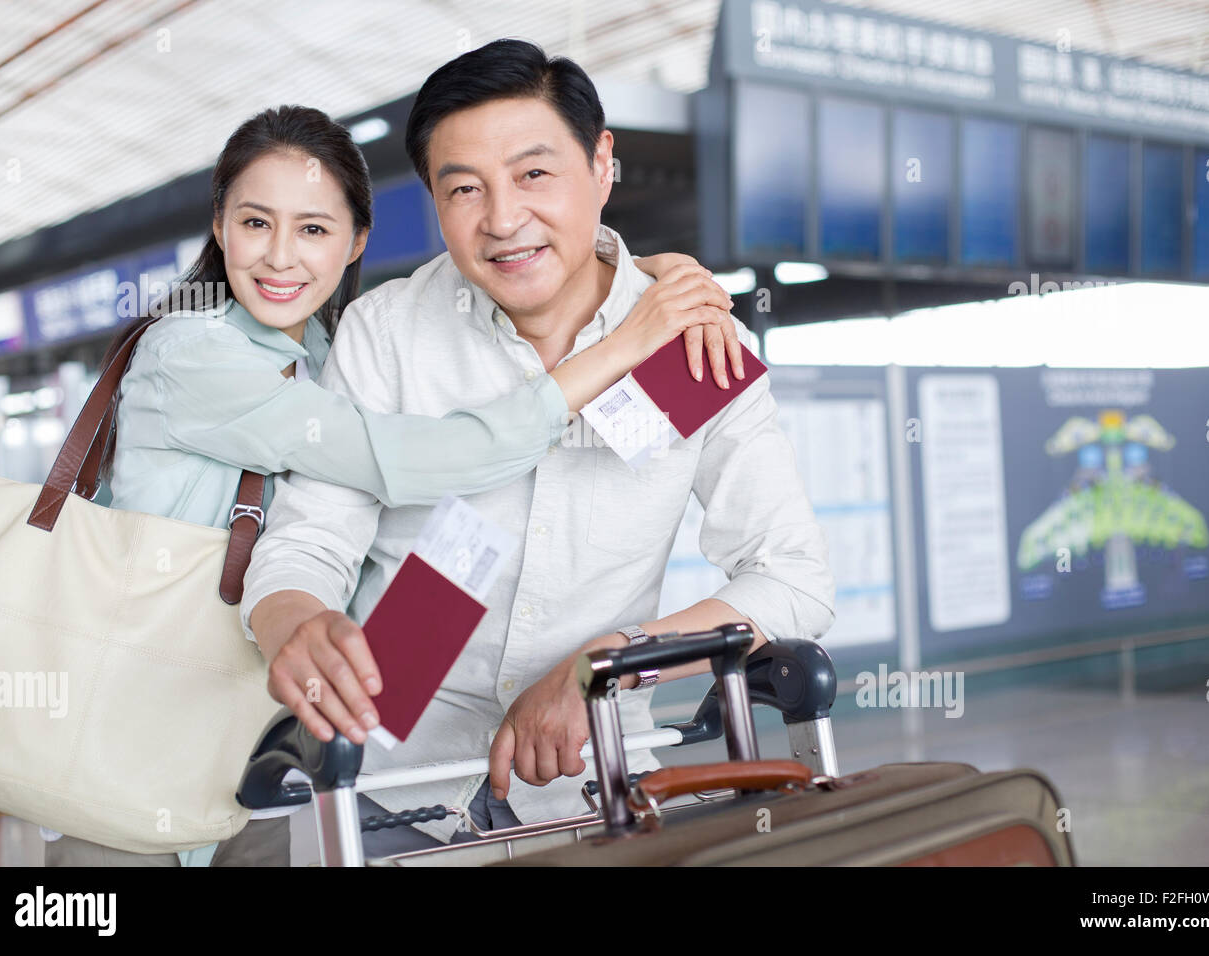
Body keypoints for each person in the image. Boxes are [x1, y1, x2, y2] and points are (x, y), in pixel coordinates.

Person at [42, 103, 740, 868]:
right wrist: (622, 346)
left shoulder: (328, 350)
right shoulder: (192, 354)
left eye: (313, 229)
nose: (281, 258)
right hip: (141, 741)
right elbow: (411, 457)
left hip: (264, 753)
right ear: (219, 226)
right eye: (255, 223)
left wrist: (652, 274)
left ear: (355, 243)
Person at [243, 40, 836, 857]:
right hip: (388, 783)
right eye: (464, 189)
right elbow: (309, 539)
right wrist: (293, 620)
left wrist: (613, 662)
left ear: (601, 165)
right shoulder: (388, 333)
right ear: (433, 201)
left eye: (533, 174)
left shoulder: (694, 341)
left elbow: (794, 576)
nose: (503, 219)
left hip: (599, 778)